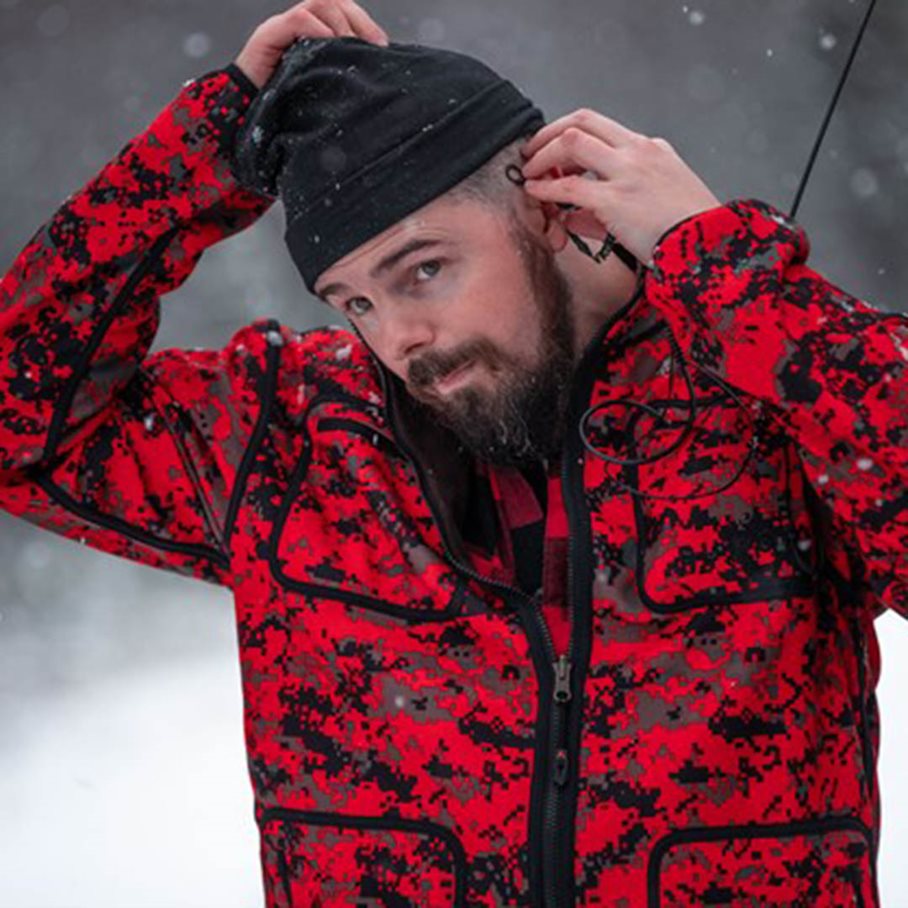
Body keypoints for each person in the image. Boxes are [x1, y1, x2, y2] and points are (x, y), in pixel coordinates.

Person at [0, 0, 905, 904]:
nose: (401, 338)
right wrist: (202, 151)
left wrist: (727, 271)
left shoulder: (763, 403)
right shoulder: (287, 442)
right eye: (355, 302)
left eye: (424, 270)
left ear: (547, 207)